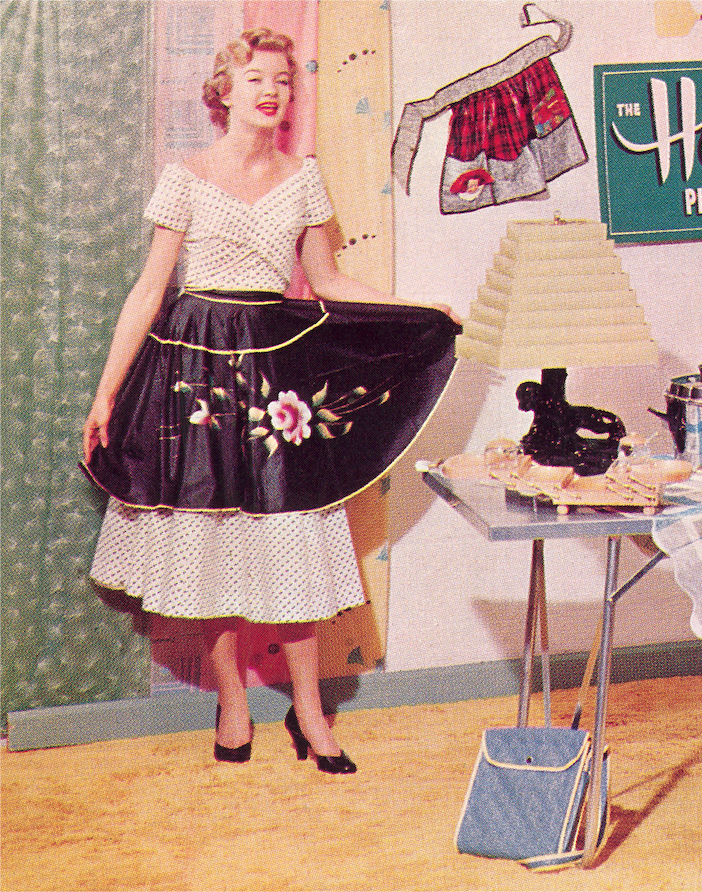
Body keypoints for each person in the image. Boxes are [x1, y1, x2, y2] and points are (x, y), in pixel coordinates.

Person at [81, 28, 461, 774]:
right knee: (217, 542)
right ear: (225, 88)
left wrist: (421, 308)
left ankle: (311, 715)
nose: (271, 92)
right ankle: (231, 704)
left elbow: (327, 282)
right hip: (193, 376)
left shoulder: (304, 178)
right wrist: (106, 393)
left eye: (283, 81)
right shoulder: (185, 175)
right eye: (256, 78)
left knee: (292, 541)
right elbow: (150, 291)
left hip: (276, 376)